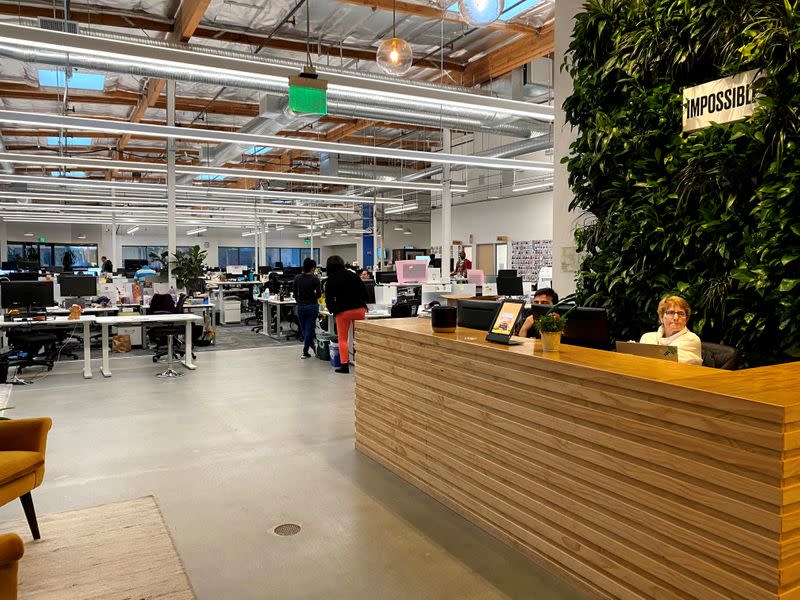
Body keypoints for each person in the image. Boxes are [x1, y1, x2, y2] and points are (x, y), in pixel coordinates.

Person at [325, 255, 368, 374]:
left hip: (343, 311)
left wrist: (333, 310)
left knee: (343, 339)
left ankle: (344, 365)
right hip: (359, 309)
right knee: (360, 337)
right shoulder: (353, 275)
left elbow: (329, 299)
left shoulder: (331, 280)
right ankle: (364, 362)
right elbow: (365, 292)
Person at [639, 295, 702, 365]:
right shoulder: (648, 337)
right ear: (661, 317)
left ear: (686, 319)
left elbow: (666, 356)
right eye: (671, 313)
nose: (676, 317)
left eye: (681, 313)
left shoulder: (691, 339)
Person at [293, 258, 322, 359]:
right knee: (309, 329)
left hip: (301, 306)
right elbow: (319, 294)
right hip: (312, 306)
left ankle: (307, 350)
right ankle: (308, 350)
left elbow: (294, 293)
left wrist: (299, 301)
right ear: (313, 268)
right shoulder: (315, 279)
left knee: (304, 329)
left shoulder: (297, 278)